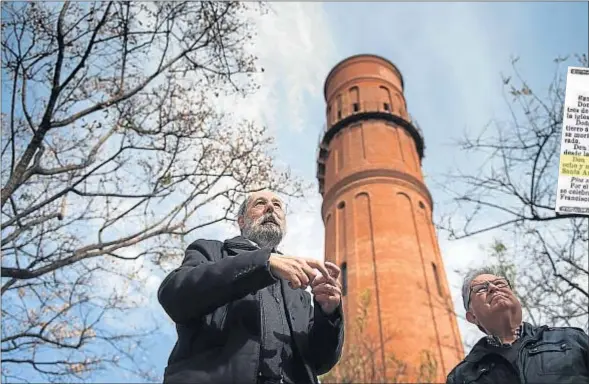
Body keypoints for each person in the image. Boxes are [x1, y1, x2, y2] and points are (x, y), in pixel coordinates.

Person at [158, 190, 344, 384]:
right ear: (241, 221)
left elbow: (321, 360)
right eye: (260, 203)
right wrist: (263, 262)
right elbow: (174, 295)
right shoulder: (212, 252)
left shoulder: (297, 290)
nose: (271, 207)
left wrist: (329, 313)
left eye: (277, 205)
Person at [446, 266, 589, 384]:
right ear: (472, 316)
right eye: (481, 288)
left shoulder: (571, 339)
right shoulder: (462, 376)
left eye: (500, 283)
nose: (493, 288)